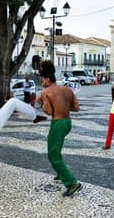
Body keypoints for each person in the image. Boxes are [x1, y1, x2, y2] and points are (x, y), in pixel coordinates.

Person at [36, 61, 82, 197]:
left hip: (58, 123)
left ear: (48, 79)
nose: (42, 82)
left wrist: (43, 101)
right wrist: (62, 105)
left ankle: (72, 183)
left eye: (42, 79)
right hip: (68, 123)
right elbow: (76, 108)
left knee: (52, 154)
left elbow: (49, 112)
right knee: (57, 149)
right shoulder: (67, 90)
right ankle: (60, 172)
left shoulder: (46, 92)